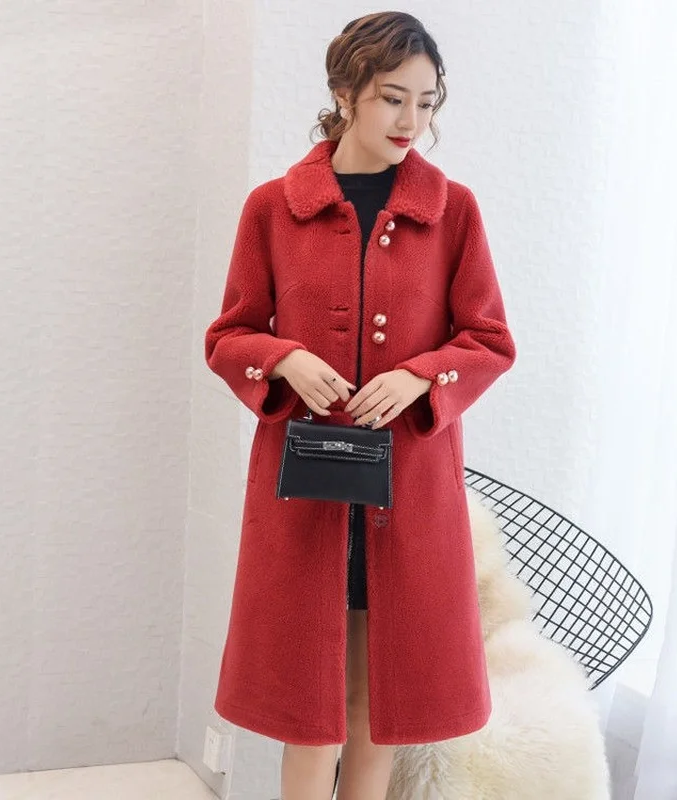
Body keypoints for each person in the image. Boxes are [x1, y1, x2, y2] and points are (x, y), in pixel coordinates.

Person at [204, 11, 517, 800]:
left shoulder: (453, 210)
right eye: (392, 99)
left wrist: (421, 378)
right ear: (346, 93)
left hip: (407, 492)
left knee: (380, 707)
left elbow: (489, 340)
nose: (413, 121)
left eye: (427, 102)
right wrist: (284, 357)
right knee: (310, 713)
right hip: (303, 495)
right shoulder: (273, 207)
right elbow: (229, 336)